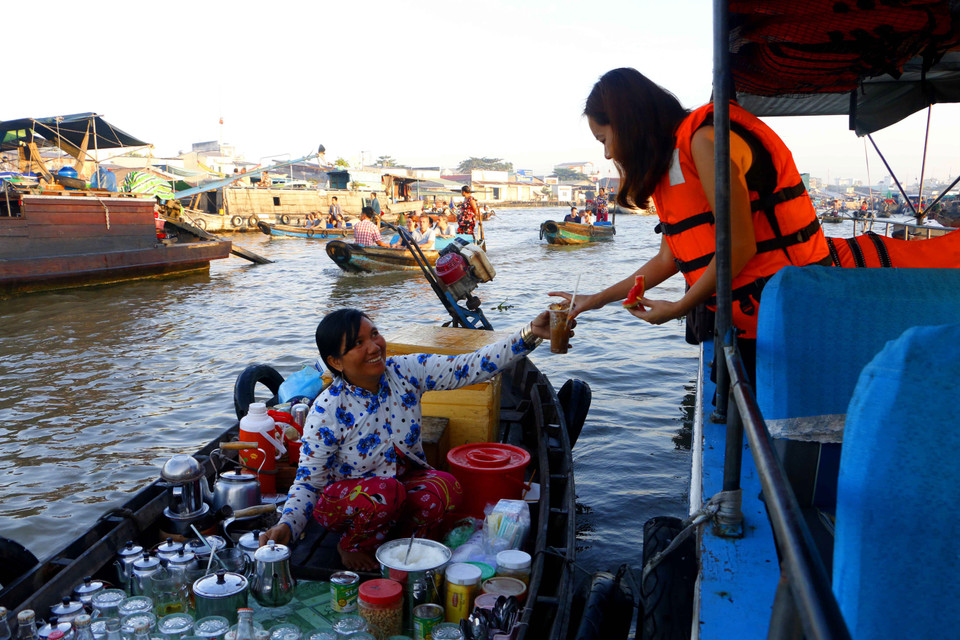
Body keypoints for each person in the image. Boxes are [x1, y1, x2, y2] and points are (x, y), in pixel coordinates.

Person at [552, 67, 829, 377]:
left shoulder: (704, 140)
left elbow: (739, 245)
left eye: (604, 139)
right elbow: (666, 259)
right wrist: (597, 300)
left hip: (792, 313)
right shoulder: (671, 161)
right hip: (751, 321)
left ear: (627, 123)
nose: (607, 154)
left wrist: (679, 307)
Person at [258, 307, 567, 569]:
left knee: (446, 487)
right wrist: (287, 525)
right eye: (358, 343)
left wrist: (530, 334)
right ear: (336, 362)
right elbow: (309, 482)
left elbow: (470, 366)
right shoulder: (327, 409)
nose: (374, 347)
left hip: (396, 489)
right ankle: (351, 545)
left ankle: (399, 542)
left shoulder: (405, 371)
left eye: (375, 334)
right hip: (345, 505)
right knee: (386, 491)